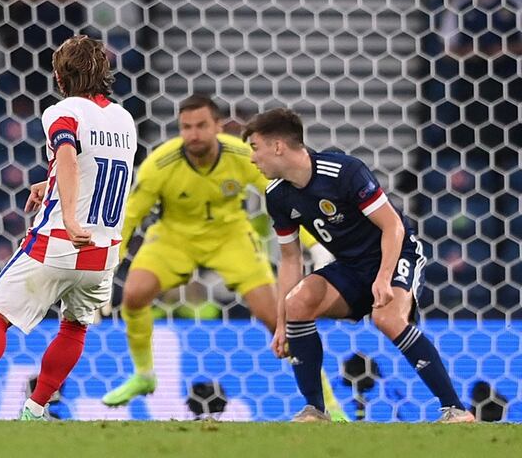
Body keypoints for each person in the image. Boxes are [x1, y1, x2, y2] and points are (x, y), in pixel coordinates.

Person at [101, 95, 345, 421]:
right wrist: (106, 268)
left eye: (201, 125)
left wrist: (315, 244)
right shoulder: (160, 164)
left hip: (230, 238)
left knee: (279, 318)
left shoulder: (241, 154)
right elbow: (130, 216)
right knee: (133, 295)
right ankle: (145, 374)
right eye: (186, 127)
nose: (194, 134)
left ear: (218, 125)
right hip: (174, 237)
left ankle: (327, 405)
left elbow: (285, 196)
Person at [0, 35, 137, 421]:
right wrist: (51, 184)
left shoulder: (62, 112)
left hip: (59, 242)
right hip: (104, 252)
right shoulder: (124, 119)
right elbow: (101, 168)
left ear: (61, 78)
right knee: (75, 328)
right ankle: (34, 408)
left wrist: (70, 217)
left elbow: (66, 153)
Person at [243, 108, 474, 423]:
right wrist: (282, 323)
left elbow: (393, 226)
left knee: (386, 318)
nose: (253, 158)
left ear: (278, 146)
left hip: (396, 253)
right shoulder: (278, 196)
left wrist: (383, 278)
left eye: (255, 148)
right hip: (350, 267)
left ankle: (456, 409)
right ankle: (315, 410)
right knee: (297, 303)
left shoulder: (344, 172)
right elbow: (290, 259)